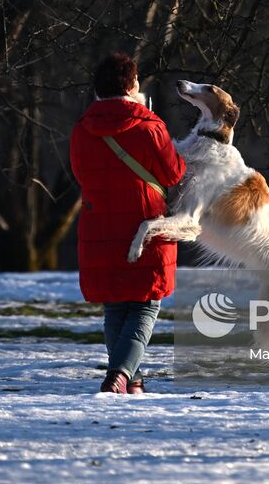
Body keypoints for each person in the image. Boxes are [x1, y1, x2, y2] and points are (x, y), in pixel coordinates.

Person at [68, 52, 186, 393]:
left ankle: (132, 381)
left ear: (97, 90)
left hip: (98, 226)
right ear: (133, 85)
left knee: (116, 305)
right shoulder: (150, 126)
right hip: (144, 227)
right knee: (144, 306)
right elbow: (174, 172)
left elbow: (80, 174)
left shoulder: (81, 130)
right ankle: (118, 375)